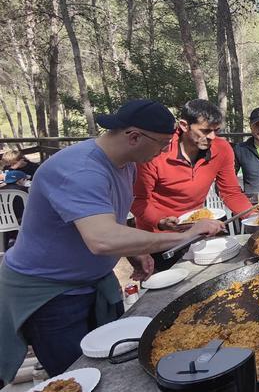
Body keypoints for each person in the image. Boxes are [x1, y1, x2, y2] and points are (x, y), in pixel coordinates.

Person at [0, 100, 223, 384]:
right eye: (162, 144)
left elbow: (111, 221)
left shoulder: (126, 164)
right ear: (133, 137)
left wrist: (134, 253)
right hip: (50, 292)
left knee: (116, 365)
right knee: (76, 379)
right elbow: (102, 239)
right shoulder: (79, 170)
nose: (164, 151)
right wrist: (185, 234)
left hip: (94, 282)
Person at [131, 99, 252, 270]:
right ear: (184, 125)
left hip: (198, 232)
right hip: (158, 237)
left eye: (216, 131)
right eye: (205, 131)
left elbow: (231, 192)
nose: (211, 137)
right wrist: (161, 221)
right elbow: (138, 200)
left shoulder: (222, 149)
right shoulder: (158, 151)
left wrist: (253, 216)